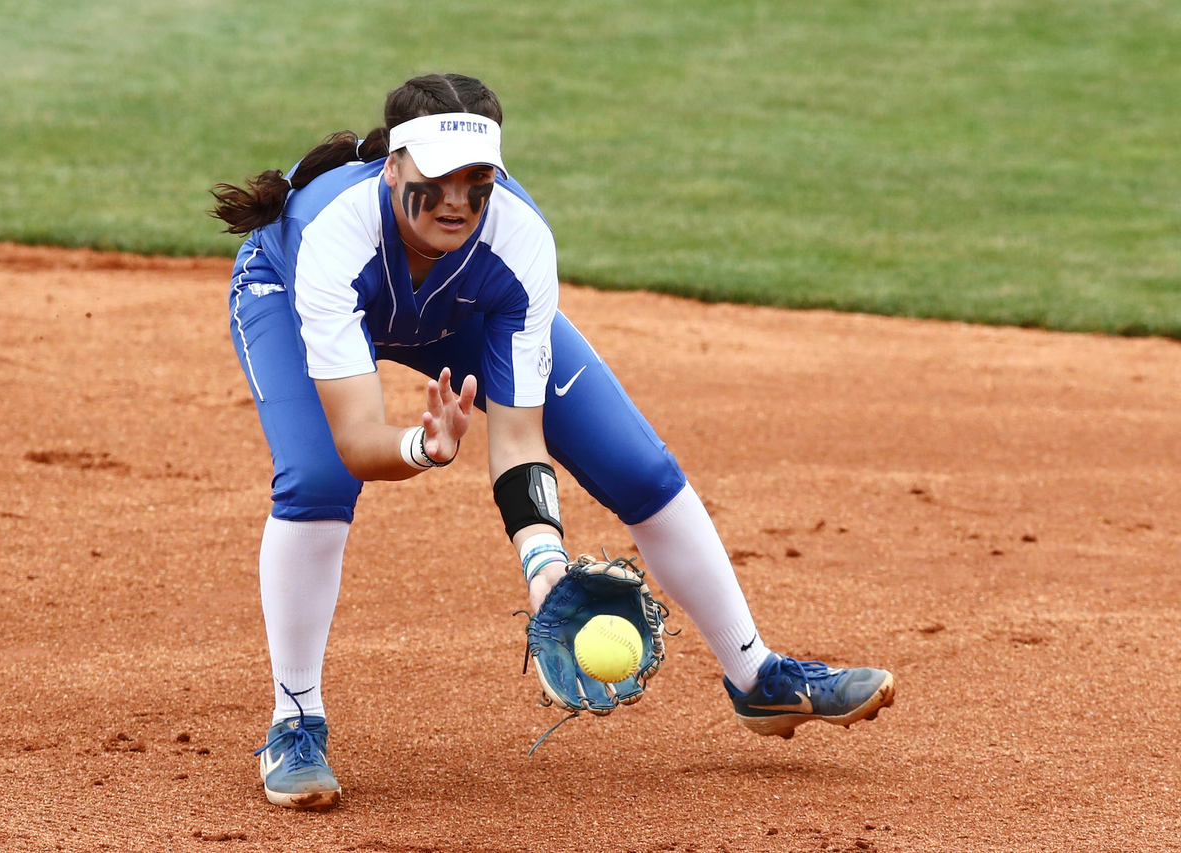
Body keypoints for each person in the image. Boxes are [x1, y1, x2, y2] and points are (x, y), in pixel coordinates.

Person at [211, 73, 895, 811]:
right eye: (437, 179)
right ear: (394, 167)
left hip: (462, 310)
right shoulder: (333, 234)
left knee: (636, 464)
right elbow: (354, 439)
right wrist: (423, 446)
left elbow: (518, 438)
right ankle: (296, 719)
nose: (456, 200)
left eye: (477, 181)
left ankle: (758, 677)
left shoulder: (517, 239)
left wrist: (546, 570)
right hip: (287, 291)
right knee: (317, 480)